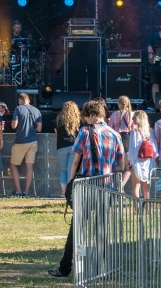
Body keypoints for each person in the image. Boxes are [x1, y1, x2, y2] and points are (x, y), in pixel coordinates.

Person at [49, 99, 123, 278]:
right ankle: (100, 268)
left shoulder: (85, 132)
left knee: (77, 227)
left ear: (91, 115)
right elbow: (121, 165)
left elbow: (75, 161)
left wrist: (70, 182)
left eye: (85, 117)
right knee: (102, 228)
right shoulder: (115, 135)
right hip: (107, 186)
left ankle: (65, 268)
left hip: (88, 185)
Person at [8, 92, 42, 197]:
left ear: (20, 100)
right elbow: (39, 129)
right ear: (29, 100)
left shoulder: (18, 109)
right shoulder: (37, 111)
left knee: (13, 165)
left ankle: (18, 191)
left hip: (21, 142)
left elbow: (14, 125)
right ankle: (26, 192)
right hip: (33, 142)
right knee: (29, 167)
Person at [124, 110, 154, 199]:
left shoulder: (135, 132)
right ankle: (148, 206)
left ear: (138, 119)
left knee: (136, 186)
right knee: (146, 188)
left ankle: (137, 207)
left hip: (136, 161)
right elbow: (154, 147)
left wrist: (129, 162)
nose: (132, 120)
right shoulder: (150, 131)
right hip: (148, 162)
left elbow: (132, 148)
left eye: (133, 118)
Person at [55, 101, 81, 199]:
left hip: (61, 146)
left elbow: (56, 132)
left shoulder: (59, 118)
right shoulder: (78, 119)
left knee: (63, 170)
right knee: (71, 170)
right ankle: (70, 192)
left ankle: (63, 192)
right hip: (74, 146)